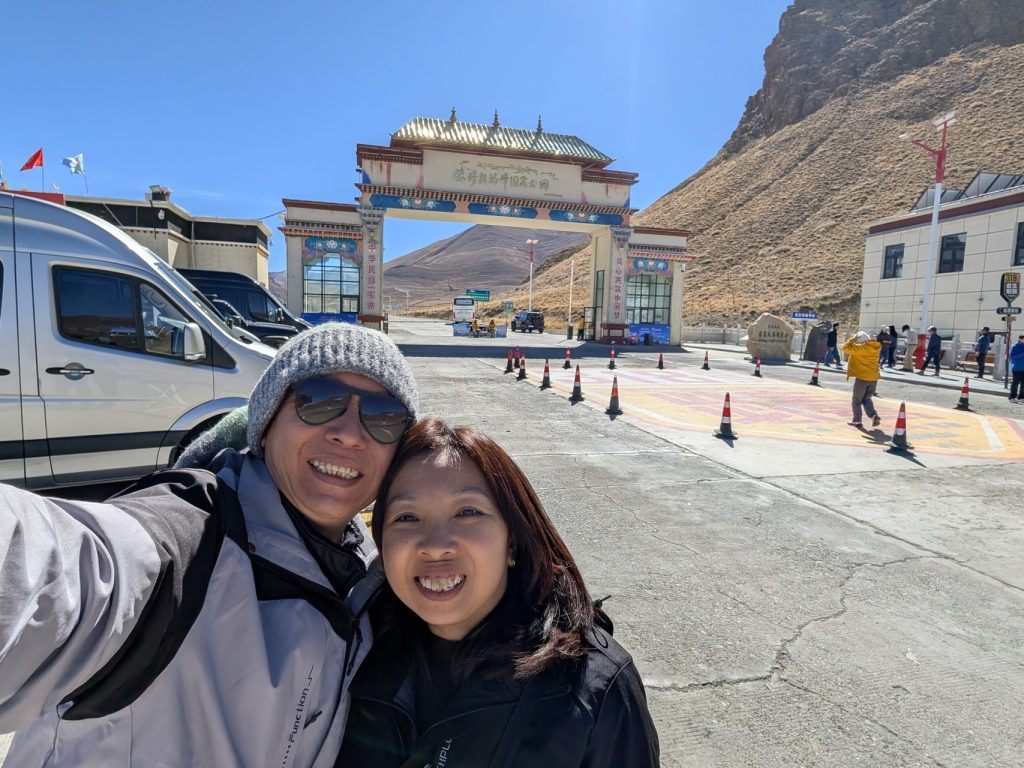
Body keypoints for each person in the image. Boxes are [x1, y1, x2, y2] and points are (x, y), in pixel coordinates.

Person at [0, 323, 418, 767]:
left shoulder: (372, 573)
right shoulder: (189, 541)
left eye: (382, 416)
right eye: (318, 400)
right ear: (266, 420)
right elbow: (60, 566)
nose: (350, 433)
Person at [338, 419, 660, 767]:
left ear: (513, 542)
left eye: (467, 512)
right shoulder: (355, 654)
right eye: (406, 518)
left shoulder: (593, 691)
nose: (435, 546)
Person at [842, 331, 883, 428]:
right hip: (874, 378)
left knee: (856, 400)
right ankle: (873, 415)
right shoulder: (876, 347)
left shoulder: (861, 348)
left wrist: (853, 339)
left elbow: (845, 348)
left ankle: (857, 420)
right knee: (867, 398)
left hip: (862, 378)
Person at [1010, 334, 1024, 403]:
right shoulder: (1015, 346)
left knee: (1023, 384)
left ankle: (1021, 397)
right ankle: (1012, 397)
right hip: (1017, 368)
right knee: (1015, 383)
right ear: (1020, 339)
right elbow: (1013, 357)